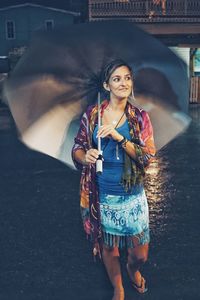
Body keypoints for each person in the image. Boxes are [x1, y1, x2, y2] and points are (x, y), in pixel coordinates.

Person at [72, 59, 156, 300]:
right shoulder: (93, 114)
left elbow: (147, 156)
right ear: (106, 85)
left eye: (127, 78)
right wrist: (85, 155)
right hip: (104, 195)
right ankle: (118, 288)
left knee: (140, 255)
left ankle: (132, 269)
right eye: (117, 79)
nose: (123, 83)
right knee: (109, 247)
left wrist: (120, 138)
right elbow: (77, 147)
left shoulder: (140, 117)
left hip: (133, 196)